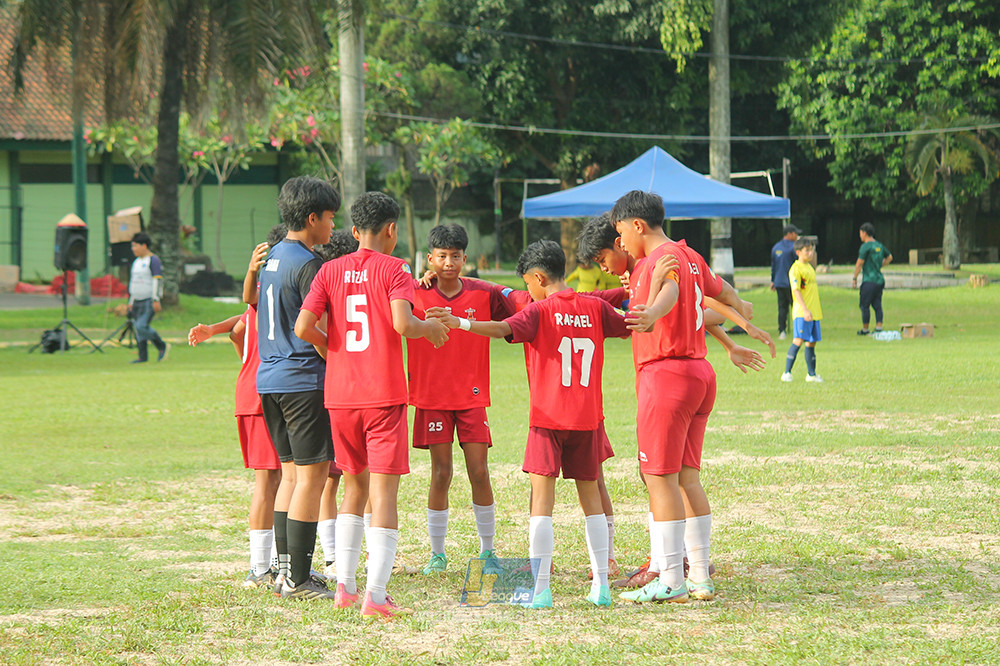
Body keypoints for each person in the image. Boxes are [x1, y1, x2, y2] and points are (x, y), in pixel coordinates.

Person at [427, 239, 630, 609]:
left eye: (528, 284)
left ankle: (541, 590)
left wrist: (458, 321)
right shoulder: (594, 307)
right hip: (587, 419)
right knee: (591, 501)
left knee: (542, 503)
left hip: (548, 421)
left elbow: (499, 328)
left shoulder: (540, 311)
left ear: (538, 277)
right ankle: (600, 585)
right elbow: (631, 322)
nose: (528, 292)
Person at [576, 212, 769, 590]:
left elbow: (670, 298)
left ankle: (667, 574)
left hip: (666, 375)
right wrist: (736, 327)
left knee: (658, 478)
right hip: (699, 372)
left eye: (606, 256)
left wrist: (647, 309)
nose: (607, 265)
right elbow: (704, 303)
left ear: (629, 233)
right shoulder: (689, 255)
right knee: (683, 477)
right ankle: (698, 571)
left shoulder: (653, 263)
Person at [296, 191, 449, 619]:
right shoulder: (395, 268)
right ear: (391, 230)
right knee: (383, 492)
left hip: (340, 396)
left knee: (354, 485)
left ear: (352, 230)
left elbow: (303, 325)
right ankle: (376, 596)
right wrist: (429, 329)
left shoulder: (328, 270)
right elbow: (403, 323)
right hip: (381, 394)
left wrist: (333, 350)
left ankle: (345, 587)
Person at [407, 224, 514, 575]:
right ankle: (437, 554)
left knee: (479, 471)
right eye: (441, 256)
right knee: (441, 473)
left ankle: (488, 551)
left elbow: (518, 308)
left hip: (471, 397)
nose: (448, 262)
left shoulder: (483, 294)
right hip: (432, 396)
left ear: (465, 259)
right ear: (429, 258)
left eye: (455, 256)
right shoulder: (413, 293)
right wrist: (417, 281)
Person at [188, 224, 288, 589]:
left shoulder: (275, 293)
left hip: (263, 394)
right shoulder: (271, 289)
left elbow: (242, 324)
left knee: (283, 479)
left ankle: (278, 562)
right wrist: (250, 272)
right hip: (262, 397)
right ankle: (260, 568)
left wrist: (214, 329)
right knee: (270, 480)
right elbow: (249, 307)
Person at [255, 176, 339, 600]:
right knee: (313, 477)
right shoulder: (309, 264)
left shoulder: (272, 257)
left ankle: (287, 574)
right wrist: (333, 352)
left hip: (268, 379)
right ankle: (300, 580)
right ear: (312, 218)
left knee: (290, 476)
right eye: (329, 218)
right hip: (302, 379)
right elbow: (313, 327)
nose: (331, 226)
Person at [782, 237, 823, 383]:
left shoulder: (810, 267)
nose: (810, 253)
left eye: (811, 250)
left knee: (811, 343)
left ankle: (811, 375)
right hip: (802, 312)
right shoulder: (796, 269)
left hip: (814, 312)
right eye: (807, 250)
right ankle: (787, 372)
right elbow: (796, 291)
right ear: (798, 252)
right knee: (798, 340)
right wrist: (805, 310)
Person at [128, 232, 169, 363]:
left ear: (144, 246)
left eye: (135, 246)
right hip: (137, 300)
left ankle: (161, 345)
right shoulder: (136, 262)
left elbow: (157, 280)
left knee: (141, 326)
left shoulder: (153, 260)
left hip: (148, 300)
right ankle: (142, 356)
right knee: (138, 329)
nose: (133, 249)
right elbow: (133, 282)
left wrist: (156, 299)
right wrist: (131, 300)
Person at [852, 223, 892, 335]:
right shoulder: (879, 245)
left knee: (864, 305)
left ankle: (865, 329)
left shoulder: (865, 247)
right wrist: (880, 265)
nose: (860, 235)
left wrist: (854, 278)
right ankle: (879, 327)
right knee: (877, 304)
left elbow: (859, 263)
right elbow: (889, 257)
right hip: (879, 280)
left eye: (860, 233)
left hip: (869, 280)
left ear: (864, 233)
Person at [770, 224, 800, 340]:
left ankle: (782, 331)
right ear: (790, 234)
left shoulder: (776, 247)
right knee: (796, 307)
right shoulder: (795, 247)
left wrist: (773, 281)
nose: (797, 236)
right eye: (795, 233)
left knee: (782, 308)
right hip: (792, 283)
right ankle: (798, 330)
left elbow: (774, 266)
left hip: (779, 282)